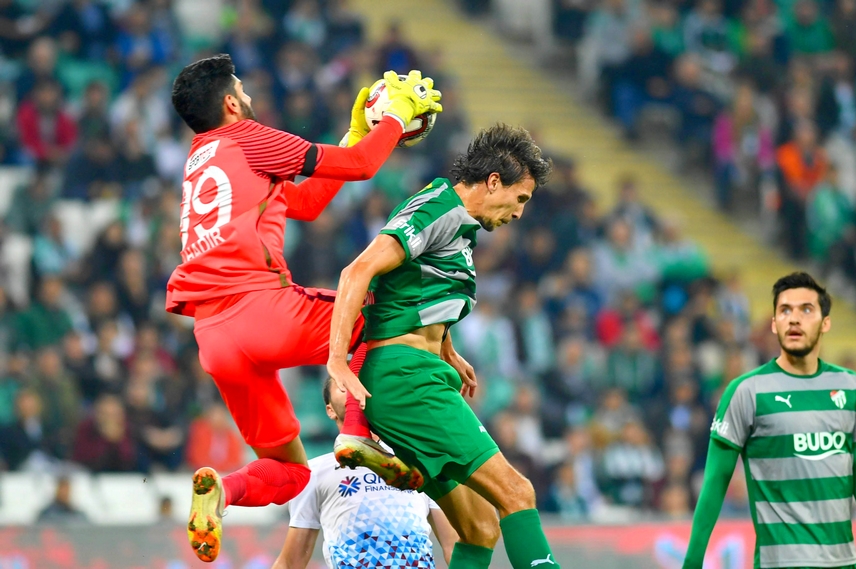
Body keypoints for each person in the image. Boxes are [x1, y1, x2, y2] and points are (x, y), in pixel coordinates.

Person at [167, 54, 442, 563]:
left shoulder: (200, 161)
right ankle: (356, 434)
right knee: (384, 312)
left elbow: (307, 202)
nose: (249, 97)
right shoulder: (247, 137)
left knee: (291, 473)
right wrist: (396, 118)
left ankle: (222, 491)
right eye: (243, 90)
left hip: (214, 338)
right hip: (261, 309)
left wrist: (355, 133)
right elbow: (361, 167)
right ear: (230, 104)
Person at [326, 124, 561, 569]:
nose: (519, 213)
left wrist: (447, 349)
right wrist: (337, 359)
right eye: (520, 198)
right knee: (518, 492)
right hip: (407, 379)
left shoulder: (459, 227)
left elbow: (414, 291)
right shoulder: (439, 209)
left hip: (416, 375)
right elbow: (357, 271)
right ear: (494, 181)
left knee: (480, 528)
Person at [683, 272, 856, 569]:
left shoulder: (850, 386)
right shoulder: (746, 391)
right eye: (785, 310)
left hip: (845, 563)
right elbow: (715, 481)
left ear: (825, 323)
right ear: (774, 324)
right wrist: (692, 563)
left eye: (806, 310)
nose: (794, 319)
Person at [272, 380, 458, 569]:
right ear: (330, 410)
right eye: (343, 386)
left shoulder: (419, 463)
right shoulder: (314, 472)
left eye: (360, 385)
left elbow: (453, 547)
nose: (354, 390)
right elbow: (291, 562)